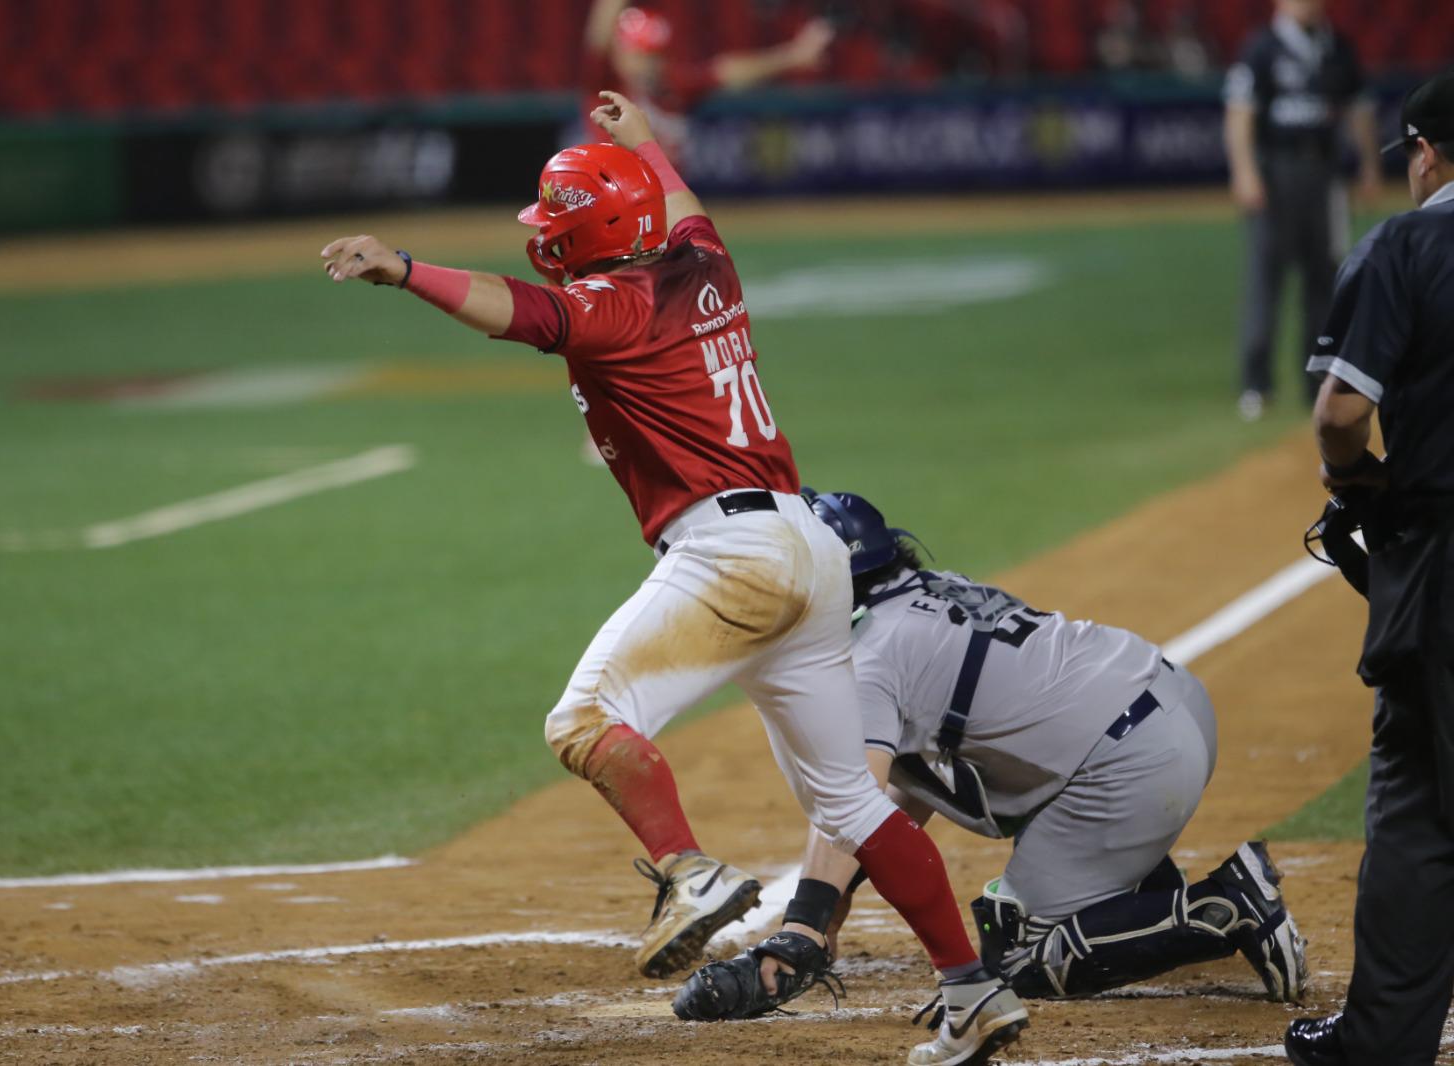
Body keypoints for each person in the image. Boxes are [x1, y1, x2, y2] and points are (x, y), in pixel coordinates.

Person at [320, 91, 1028, 1066]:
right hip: (808, 546)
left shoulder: (611, 307)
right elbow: (686, 207)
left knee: (582, 721)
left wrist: (402, 269)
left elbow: (513, 308)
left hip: (730, 554)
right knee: (850, 804)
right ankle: (973, 990)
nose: (541, 235)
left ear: (581, 234)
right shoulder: (703, 263)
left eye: (552, 222)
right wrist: (646, 144)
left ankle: (689, 873)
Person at [686, 491, 1308, 1014]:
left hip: (1129, 763)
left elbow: (853, 802)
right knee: (992, 814)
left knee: (1018, 959)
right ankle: (1135, 883)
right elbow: (909, 783)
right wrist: (830, 908)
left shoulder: (867, 657)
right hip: (1169, 703)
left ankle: (1225, 907)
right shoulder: (928, 592)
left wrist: (804, 922)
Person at [1284, 68, 1454, 1066]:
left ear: (1426, 153)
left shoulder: (1406, 244)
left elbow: (1342, 413)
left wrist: (1355, 479)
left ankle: (1384, 1042)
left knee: (1420, 797)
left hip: (1441, 566)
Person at [1223, 0, 1381, 422]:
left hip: (1326, 176)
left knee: (1325, 282)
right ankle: (1256, 384)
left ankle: (1318, 382)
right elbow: (1240, 112)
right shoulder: (1261, 47)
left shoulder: (1338, 48)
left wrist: (1369, 164)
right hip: (1276, 175)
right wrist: (1244, 171)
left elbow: (1360, 109)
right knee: (1265, 279)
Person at [580, 1, 833, 160]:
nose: (646, 64)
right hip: (614, 202)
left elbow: (728, 71)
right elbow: (599, 33)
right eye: (637, 54)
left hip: (664, 206)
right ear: (618, 54)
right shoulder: (604, 84)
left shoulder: (673, 85)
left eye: (654, 55)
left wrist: (792, 56)